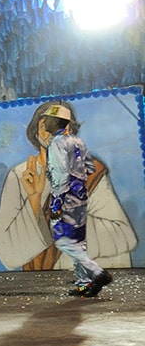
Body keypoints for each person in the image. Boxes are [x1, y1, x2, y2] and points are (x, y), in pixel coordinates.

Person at [0, 100, 137, 272]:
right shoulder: (18, 176)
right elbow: (7, 252)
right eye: (47, 124)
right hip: (39, 281)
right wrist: (34, 200)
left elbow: (122, 234)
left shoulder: (88, 170)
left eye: (62, 126)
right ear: (36, 129)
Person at [40, 104, 114, 296]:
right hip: (80, 197)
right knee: (78, 242)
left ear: (55, 121)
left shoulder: (56, 143)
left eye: (47, 118)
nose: (44, 121)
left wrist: (56, 202)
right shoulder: (77, 141)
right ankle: (85, 283)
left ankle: (98, 273)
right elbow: (89, 168)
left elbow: (60, 175)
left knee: (62, 241)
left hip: (65, 198)